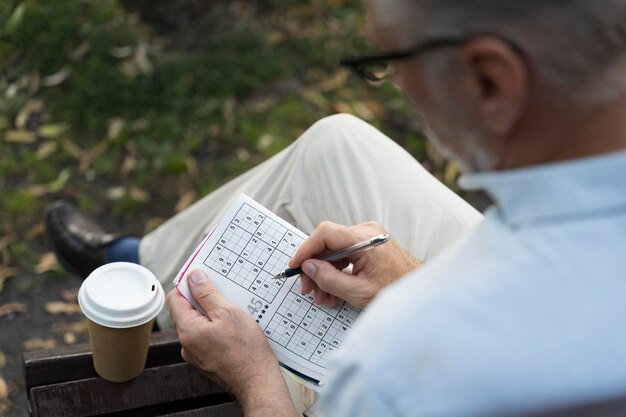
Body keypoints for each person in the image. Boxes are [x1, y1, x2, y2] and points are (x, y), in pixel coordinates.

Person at [45, 0, 626, 415]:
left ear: (490, 81)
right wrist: (408, 280)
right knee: (336, 146)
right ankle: (143, 265)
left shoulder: (401, 368)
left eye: (395, 61)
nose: (395, 83)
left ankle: (139, 294)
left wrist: (252, 379)